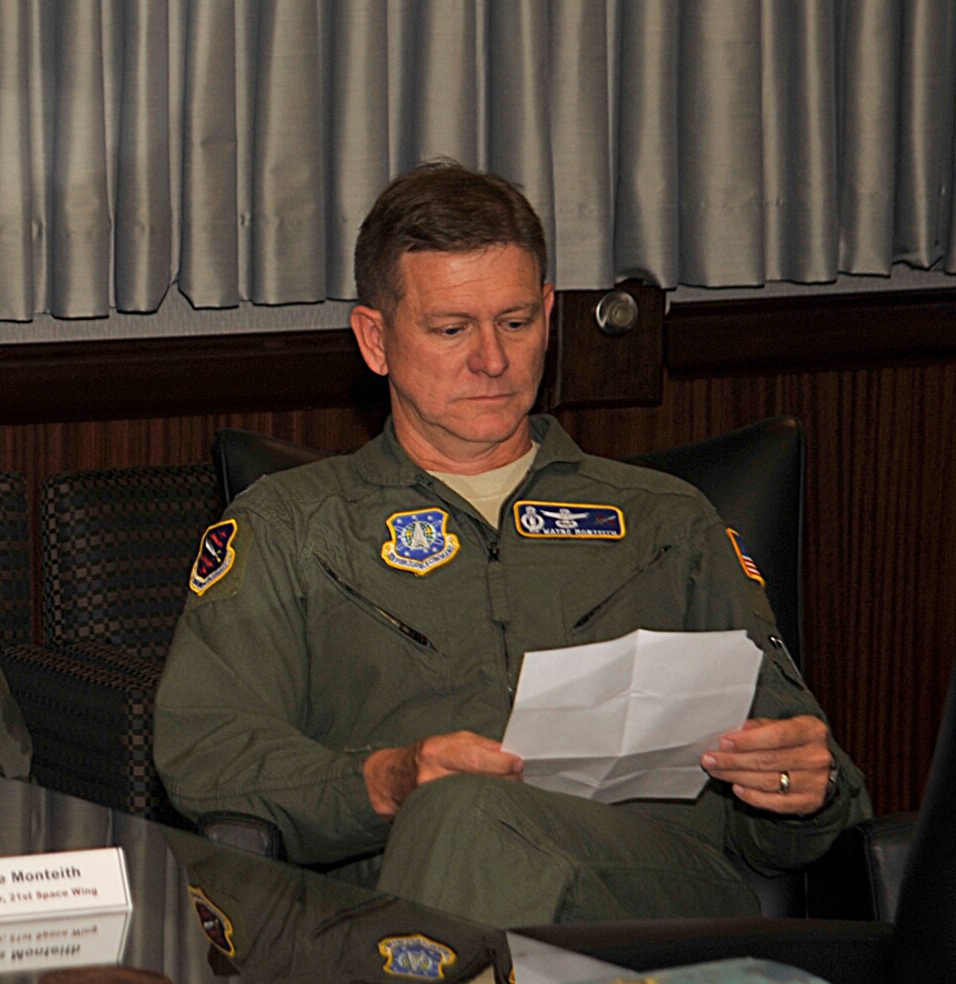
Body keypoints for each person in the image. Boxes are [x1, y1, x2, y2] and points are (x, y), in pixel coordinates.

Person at [154, 160, 869, 927]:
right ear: (375, 339)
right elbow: (209, 752)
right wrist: (386, 780)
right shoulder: (295, 527)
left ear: (550, 315)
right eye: (452, 328)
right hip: (385, 905)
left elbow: (815, 795)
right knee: (456, 813)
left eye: (517, 322)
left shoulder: (669, 522)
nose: (492, 360)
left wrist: (798, 784)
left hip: (650, 913)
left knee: (469, 817)